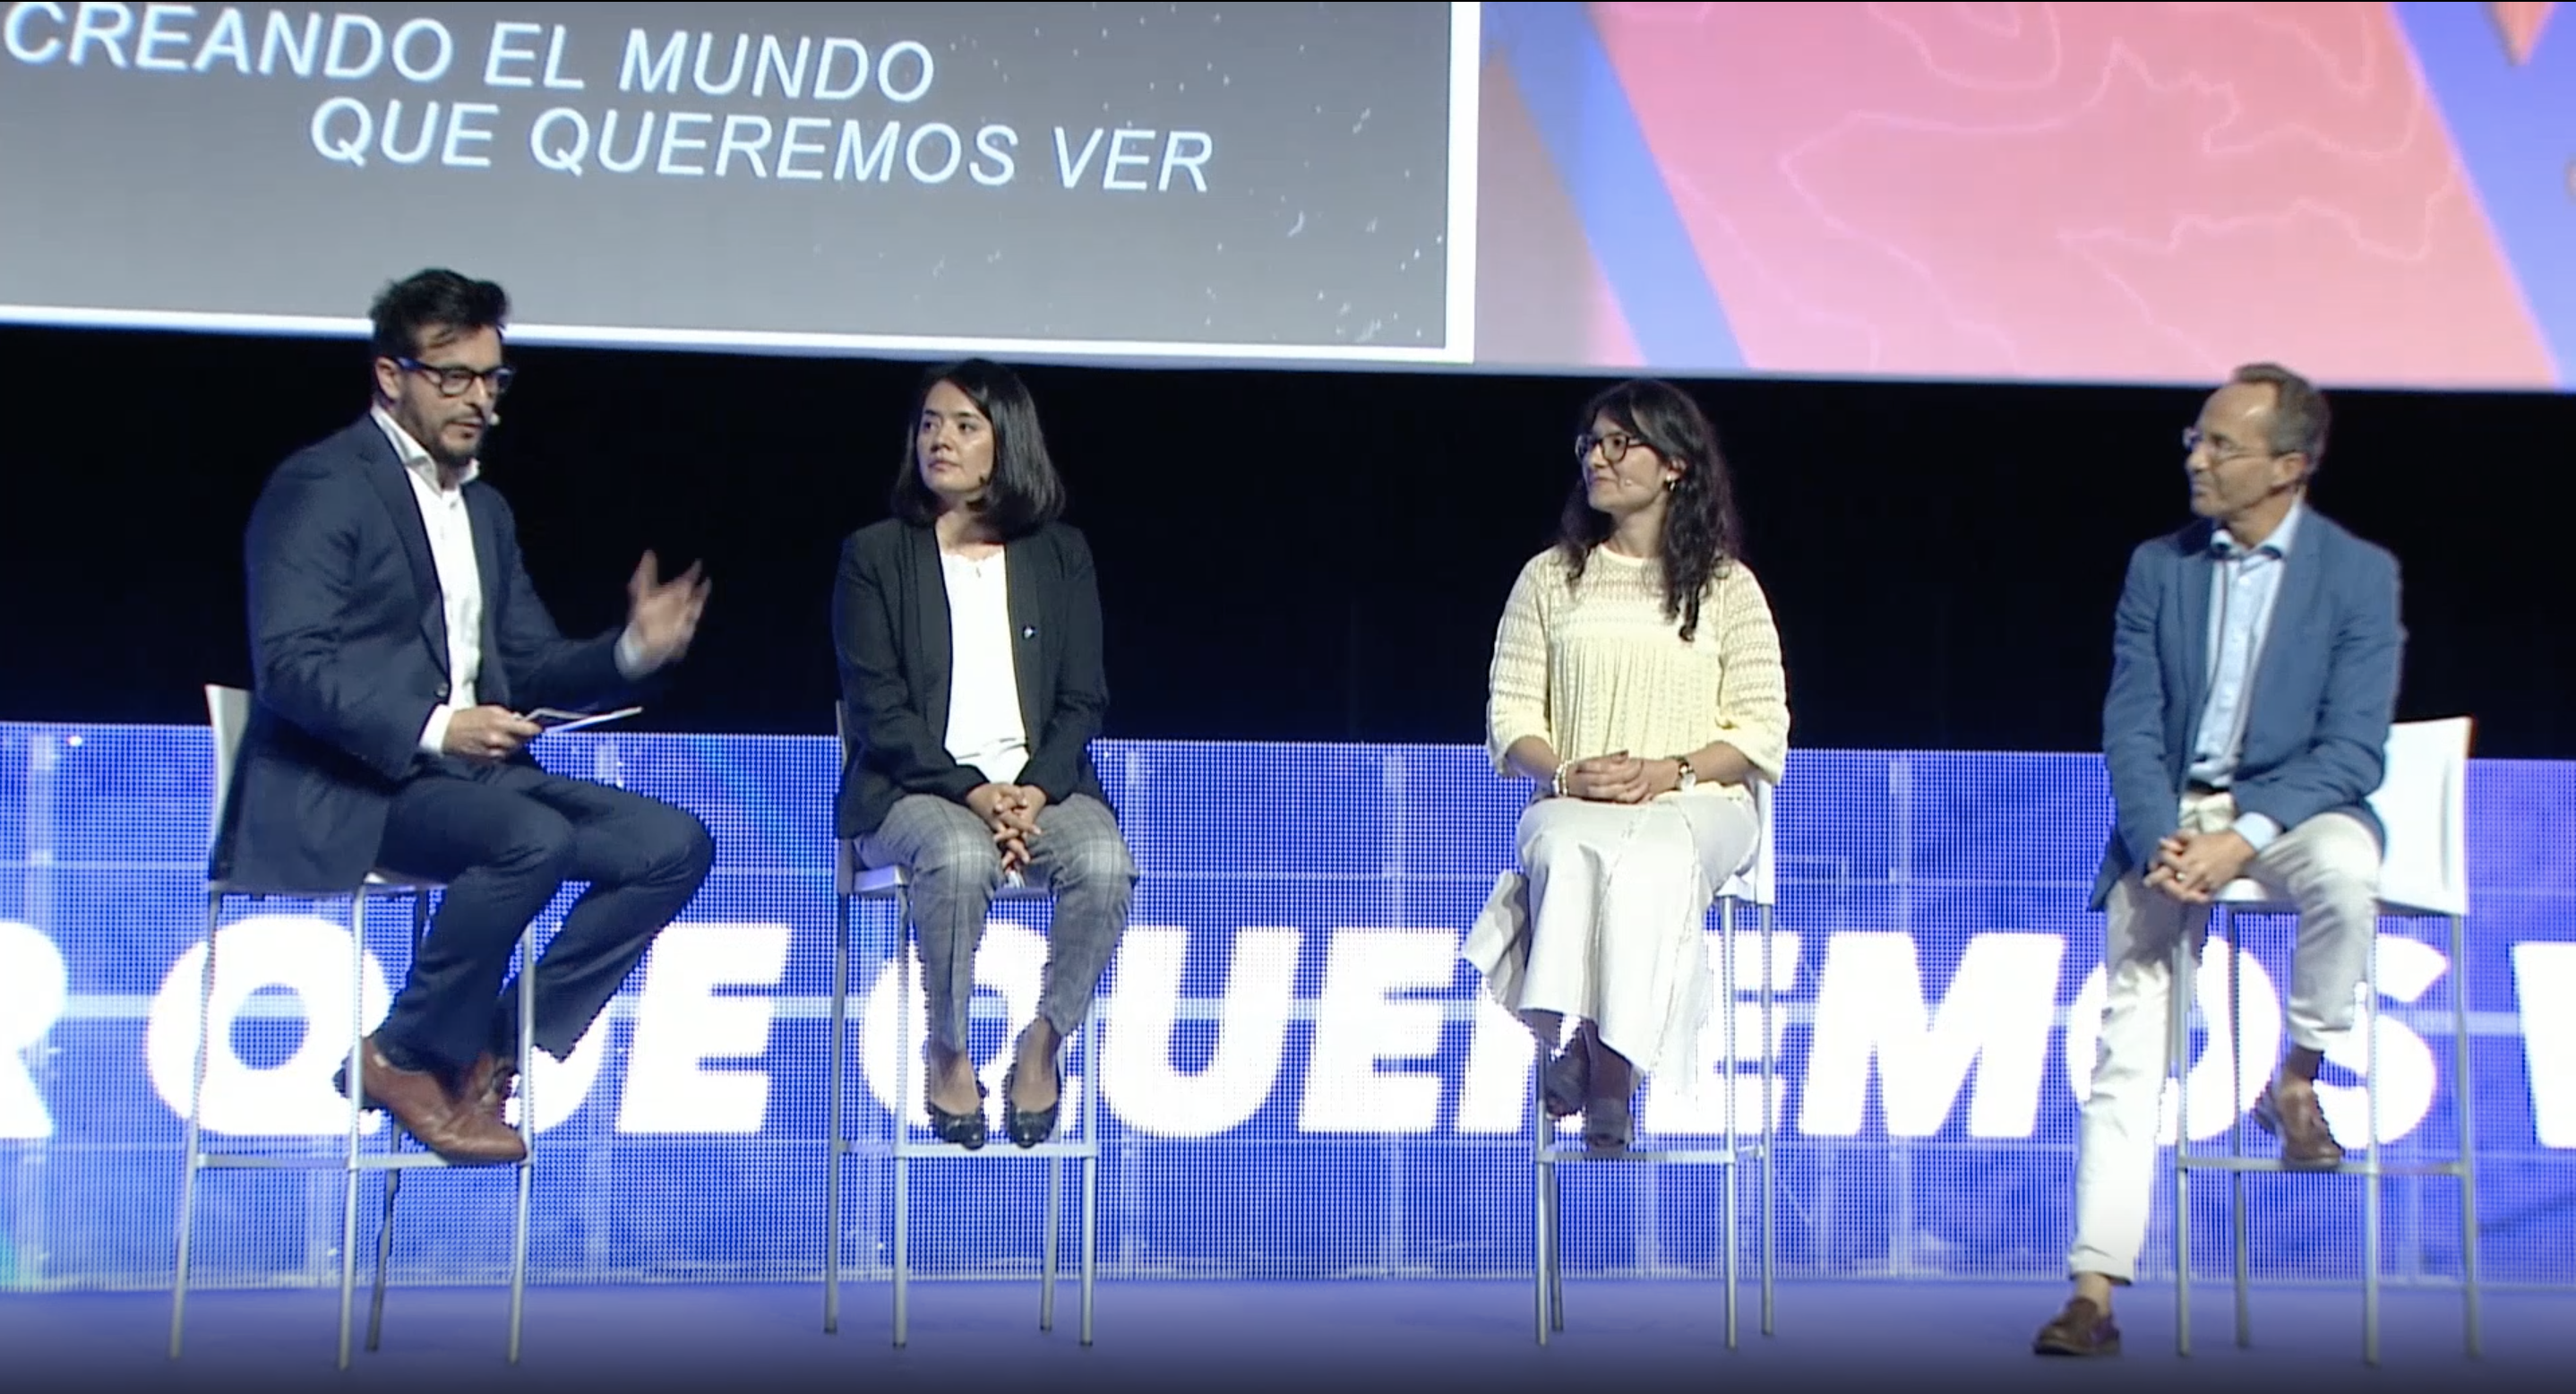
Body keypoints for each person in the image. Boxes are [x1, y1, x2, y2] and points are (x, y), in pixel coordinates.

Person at [216, 268, 717, 1166]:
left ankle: (488, 1043)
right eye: (453, 376)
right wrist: (437, 725)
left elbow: (529, 663)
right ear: (390, 375)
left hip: (464, 783)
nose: (479, 400)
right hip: (355, 784)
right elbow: (289, 664)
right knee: (529, 835)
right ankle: (404, 1053)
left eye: (492, 379)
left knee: (669, 843)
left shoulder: (482, 508)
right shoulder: (323, 485)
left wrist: (630, 651)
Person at [2034, 362, 2403, 1357]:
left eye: (2220, 445)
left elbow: (2352, 749)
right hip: (2171, 822)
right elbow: (2130, 718)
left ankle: (2299, 1068)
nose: (2195, 458)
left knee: (2342, 871)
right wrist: (2162, 832)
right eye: (2193, 440)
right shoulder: (2161, 565)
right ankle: (2093, 1289)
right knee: (2128, 1044)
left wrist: (2241, 836)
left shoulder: (2357, 573)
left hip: (2294, 811)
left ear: (2289, 465)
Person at [1462, 378, 1791, 1152]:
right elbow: (1510, 719)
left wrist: (1667, 771)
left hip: (1696, 800)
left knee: (1653, 858)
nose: (1598, 460)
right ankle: (1595, 1057)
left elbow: (1760, 729)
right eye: (1591, 445)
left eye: (1620, 443)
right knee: (1563, 847)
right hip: (1580, 794)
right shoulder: (1550, 578)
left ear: (1675, 463)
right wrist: (1570, 774)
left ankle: (1603, 1067)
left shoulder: (1726, 587)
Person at [832, 357, 1137, 1151]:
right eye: (930, 424)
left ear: (1006, 443)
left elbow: (1082, 701)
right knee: (961, 857)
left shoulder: (1059, 555)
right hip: (913, 789)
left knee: (1105, 860)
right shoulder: (875, 557)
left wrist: (1032, 793)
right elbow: (878, 712)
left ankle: (1043, 1044)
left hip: (1038, 791)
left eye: (965, 426)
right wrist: (973, 794)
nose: (941, 440)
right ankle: (949, 1049)